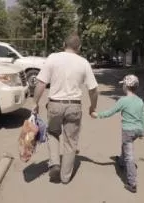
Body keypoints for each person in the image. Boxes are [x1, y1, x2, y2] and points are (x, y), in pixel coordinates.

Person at [32, 33, 99, 184]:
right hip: (74, 106)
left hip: (55, 104)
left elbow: (41, 83)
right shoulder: (84, 63)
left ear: (63, 44)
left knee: (52, 133)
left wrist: (35, 102)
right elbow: (93, 90)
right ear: (79, 47)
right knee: (70, 142)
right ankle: (65, 177)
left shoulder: (53, 58)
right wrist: (92, 107)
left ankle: (55, 163)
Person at [91, 74, 144, 193]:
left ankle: (132, 183)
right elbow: (143, 117)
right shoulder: (139, 101)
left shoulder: (123, 101)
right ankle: (121, 162)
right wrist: (142, 132)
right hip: (137, 130)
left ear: (126, 86)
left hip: (128, 130)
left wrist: (97, 115)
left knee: (129, 156)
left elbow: (111, 112)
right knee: (126, 145)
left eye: (123, 85)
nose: (123, 87)